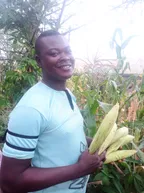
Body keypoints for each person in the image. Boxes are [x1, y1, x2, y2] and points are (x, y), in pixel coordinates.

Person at [0, 30, 105, 193]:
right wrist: (80, 169)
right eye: (54, 53)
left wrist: (97, 144)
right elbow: (10, 182)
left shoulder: (66, 94)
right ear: (39, 61)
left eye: (68, 51)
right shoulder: (31, 109)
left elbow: (63, 134)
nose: (65, 57)